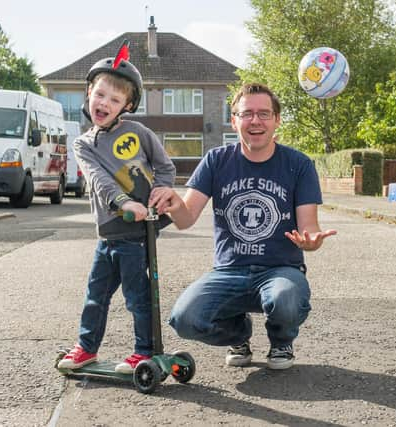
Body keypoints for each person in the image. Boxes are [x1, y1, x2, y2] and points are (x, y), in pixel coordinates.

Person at [149, 83, 336, 370]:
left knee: (285, 300)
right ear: (234, 120)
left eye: (264, 113)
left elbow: (308, 225)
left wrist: (312, 241)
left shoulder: (298, 164)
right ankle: (238, 333)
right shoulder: (216, 160)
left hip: (280, 270)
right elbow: (186, 218)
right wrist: (173, 202)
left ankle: (281, 341)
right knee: (184, 320)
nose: (256, 121)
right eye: (246, 114)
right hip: (229, 271)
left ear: (277, 120)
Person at [58, 42, 176, 374]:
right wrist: (123, 202)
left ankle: (143, 352)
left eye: (114, 99)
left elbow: (165, 167)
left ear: (126, 105)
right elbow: (98, 179)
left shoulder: (139, 132)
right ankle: (86, 348)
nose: (104, 103)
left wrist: (163, 189)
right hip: (109, 233)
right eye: (100, 95)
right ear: (88, 93)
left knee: (138, 299)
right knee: (95, 296)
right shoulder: (84, 144)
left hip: (138, 234)